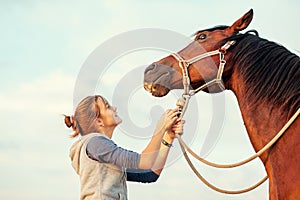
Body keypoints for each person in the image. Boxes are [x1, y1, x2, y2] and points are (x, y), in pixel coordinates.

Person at [64, 95, 184, 200]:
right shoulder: (95, 143)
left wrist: (168, 137)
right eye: (107, 107)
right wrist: (160, 128)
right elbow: (146, 161)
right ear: (99, 121)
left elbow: (149, 174)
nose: (114, 108)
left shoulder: (100, 150)